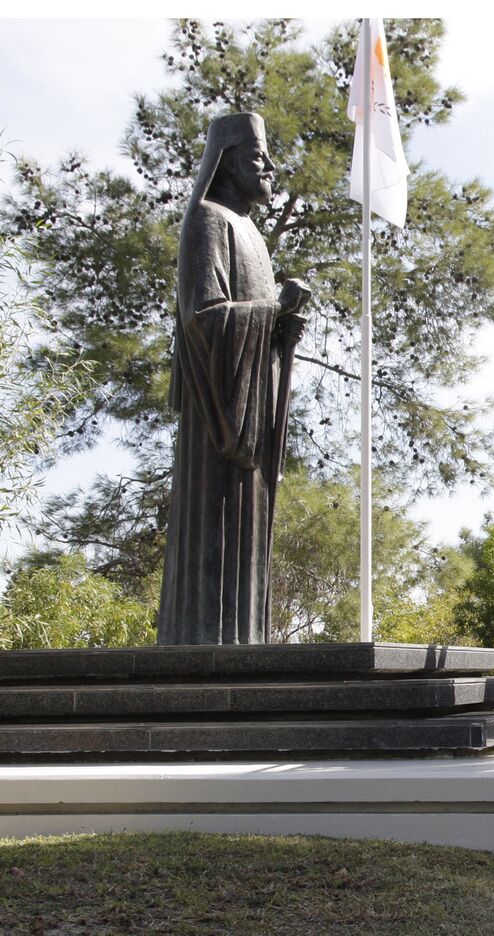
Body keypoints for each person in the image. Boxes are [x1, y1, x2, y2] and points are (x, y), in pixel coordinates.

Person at [158, 112, 311, 646]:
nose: (269, 167)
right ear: (226, 162)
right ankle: (203, 646)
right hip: (220, 412)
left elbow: (256, 313)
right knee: (215, 525)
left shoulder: (250, 233)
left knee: (247, 527)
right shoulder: (208, 219)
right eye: (256, 157)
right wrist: (272, 312)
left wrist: (281, 320)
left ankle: (244, 642)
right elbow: (203, 317)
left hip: (253, 397)